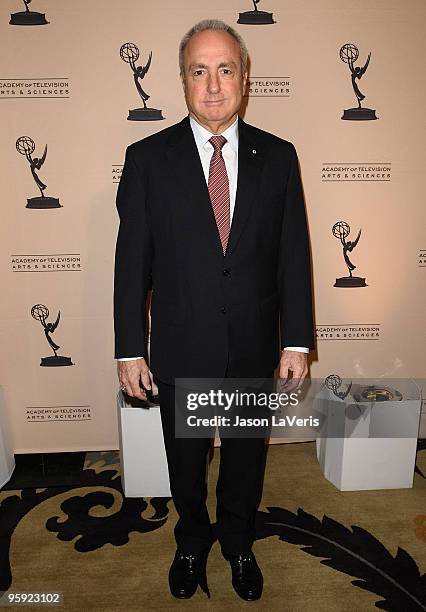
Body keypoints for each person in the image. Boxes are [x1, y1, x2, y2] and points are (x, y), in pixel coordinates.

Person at [114, 19, 314, 601]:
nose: (212, 84)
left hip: (253, 347)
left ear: (244, 78)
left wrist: (296, 341)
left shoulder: (278, 158)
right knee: (187, 468)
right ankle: (192, 539)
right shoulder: (148, 159)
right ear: (181, 80)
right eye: (198, 70)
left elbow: (292, 256)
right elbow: (132, 264)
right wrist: (131, 348)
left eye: (225, 69)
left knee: (246, 466)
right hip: (183, 349)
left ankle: (238, 544)